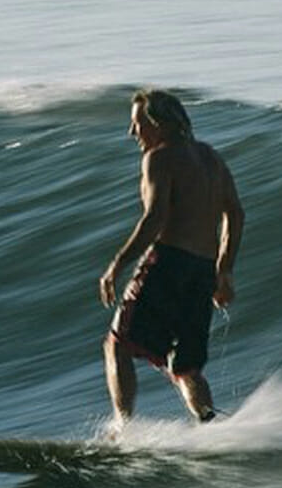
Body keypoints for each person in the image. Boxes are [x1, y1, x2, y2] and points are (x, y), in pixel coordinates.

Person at [98, 89, 244, 432]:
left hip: (168, 264)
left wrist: (116, 266)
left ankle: (124, 430)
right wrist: (224, 270)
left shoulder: (159, 158)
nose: (132, 134)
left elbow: (154, 219)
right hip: (203, 270)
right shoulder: (211, 158)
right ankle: (211, 428)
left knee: (118, 344)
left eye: (137, 125)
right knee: (185, 367)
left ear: (159, 124)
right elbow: (235, 214)